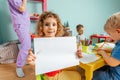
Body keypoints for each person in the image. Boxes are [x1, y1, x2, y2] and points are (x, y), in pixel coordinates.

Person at [27, 11, 81, 80]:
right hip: (50, 76)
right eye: (47, 24)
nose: (50, 27)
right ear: (41, 27)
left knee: (77, 73)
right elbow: (38, 66)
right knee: (77, 76)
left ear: (57, 27)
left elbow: (65, 56)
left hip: (60, 69)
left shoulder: (59, 41)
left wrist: (75, 55)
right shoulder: (40, 44)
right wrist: (32, 64)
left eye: (54, 24)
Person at [92, 12, 120, 80]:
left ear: (118, 31)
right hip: (115, 71)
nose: (109, 36)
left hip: (115, 75)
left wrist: (103, 53)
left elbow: (112, 63)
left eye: (109, 34)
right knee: (99, 68)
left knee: (97, 74)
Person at [8, 0, 31, 78]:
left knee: (27, 44)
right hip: (20, 23)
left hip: (24, 22)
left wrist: (30, 15)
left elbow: (22, 11)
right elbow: (22, 9)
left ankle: (24, 61)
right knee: (26, 46)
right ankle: (19, 66)